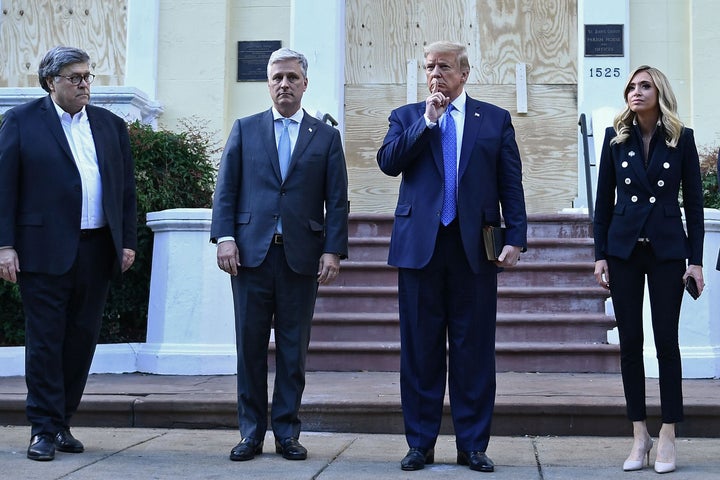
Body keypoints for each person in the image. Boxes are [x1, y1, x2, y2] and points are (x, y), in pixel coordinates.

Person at [376, 41, 527, 473]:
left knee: (474, 350)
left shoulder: (494, 120)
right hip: (419, 248)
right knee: (420, 351)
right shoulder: (407, 117)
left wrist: (515, 236)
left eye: (444, 67)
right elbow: (389, 162)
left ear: (464, 73)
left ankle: (472, 445)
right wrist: (427, 121)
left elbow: (510, 182)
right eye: (429, 67)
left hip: (474, 250)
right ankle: (420, 444)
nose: (435, 74)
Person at [210, 47, 348, 462]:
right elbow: (226, 189)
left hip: (301, 259)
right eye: (277, 78)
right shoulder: (245, 129)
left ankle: (287, 432)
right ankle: (251, 433)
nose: (284, 84)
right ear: (268, 84)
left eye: (291, 77)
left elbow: (337, 202)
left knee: (293, 350)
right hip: (251, 257)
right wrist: (225, 238)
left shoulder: (325, 137)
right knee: (249, 348)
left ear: (305, 83)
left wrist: (333, 251)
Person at [0, 46, 137, 461]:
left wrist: (126, 241)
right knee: (45, 341)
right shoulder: (21, 121)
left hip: (97, 249)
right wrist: (4, 245)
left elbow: (125, 191)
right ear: (50, 82)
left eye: (88, 77)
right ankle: (41, 429)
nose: (84, 85)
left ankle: (62, 423)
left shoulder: (110, 126)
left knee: (81, 341)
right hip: (42, 251)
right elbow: (4, 187)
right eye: (75, 77)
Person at [593, 65, 705, 474]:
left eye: (644, 86)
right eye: (631, 87)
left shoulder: (681, 139)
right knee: (630, 347)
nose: (636, 92)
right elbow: (603, 202)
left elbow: (693, 203)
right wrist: (600, 254)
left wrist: (696, 261)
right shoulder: (613, 138)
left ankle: (669, 434)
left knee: (666, 344)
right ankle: (639, 435)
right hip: (623, 252)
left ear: (660, 92)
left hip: (667, 252)